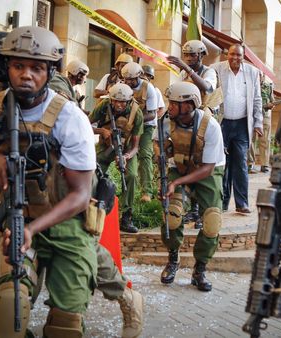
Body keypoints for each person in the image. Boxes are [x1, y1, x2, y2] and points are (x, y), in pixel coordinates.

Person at [0, 30, 144, 338]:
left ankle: (128, 298)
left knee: (65, 326)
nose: (26, 75)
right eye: (18, 66)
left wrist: (32, 230)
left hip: (68, 219)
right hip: (18, 217)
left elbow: (79, 196)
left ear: (49, 71)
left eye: (36, 68)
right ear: (7, 65)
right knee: (8, 313)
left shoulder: (69, 117)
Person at [156, 82, 225, 292]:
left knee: (212, 220)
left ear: (188, 105)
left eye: (174, 104)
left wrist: (177, 182)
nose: (170, 107)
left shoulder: (210, 126)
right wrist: (165, 181)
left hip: (208, 171)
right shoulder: (166, 123)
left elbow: (207, 169)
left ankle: (200, 269)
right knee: (172, 214)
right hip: (180, 166)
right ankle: (173, 259)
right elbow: (161, 154)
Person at [168, 39, 222, 228]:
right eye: (186, 55)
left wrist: (185, 68)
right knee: (187, 158)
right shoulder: (184, 72)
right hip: (186, 118)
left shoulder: (209, 72)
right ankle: (191, 209)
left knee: (200, 159)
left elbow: (207, 88)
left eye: (192, 55)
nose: (189, 58)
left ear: (201, 55)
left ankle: (200, 211)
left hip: (204, 117)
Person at [211, 44, 263, 213]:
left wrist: (258, 123)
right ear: (227, 54)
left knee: (240, 164)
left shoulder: (252, 72)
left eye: (238, 55)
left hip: (242, 124)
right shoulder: (216, 69)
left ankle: (242, 204)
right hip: (222, 123)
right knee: (222, 163)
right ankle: (223, 203)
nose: (235, 58)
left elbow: (257, 99)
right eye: (232, 54)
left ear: (243, 56)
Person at [89, 82, 143, 234]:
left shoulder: (136, 113)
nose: (119, 105)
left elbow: (136, 146)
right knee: (92, 170)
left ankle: (127, 217)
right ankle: (90, 209)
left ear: (129, 101)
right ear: (111, 99)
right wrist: (101, 131)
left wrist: (126, 156)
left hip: (125, 148)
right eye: (116, 101)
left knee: (131, 175)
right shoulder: (104, 105)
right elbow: (84, 124)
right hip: (106, 146)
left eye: (123, 102)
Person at [121, 62, 158, 204]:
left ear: (139, 76)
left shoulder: (148, 88)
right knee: (128, 153)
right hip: (128, 125)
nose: (128, 82)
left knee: (145, 154)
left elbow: (153, 114)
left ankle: (147, 191)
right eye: (126, 80)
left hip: (146, 125)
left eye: (131, 80)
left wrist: (136, 121)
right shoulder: (122, 86)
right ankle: (129, 188)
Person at [248, 72, 279, 173]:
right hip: (252, 115)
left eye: (260, 76)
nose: (258, 77)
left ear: (263, 77)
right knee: (251, 140)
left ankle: (264, 164)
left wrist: (272, 105)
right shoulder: (250, 85)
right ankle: (250, 163)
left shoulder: (268, 87)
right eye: (257, 75)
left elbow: (272, 100)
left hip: (265, 116)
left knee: (265, 140)